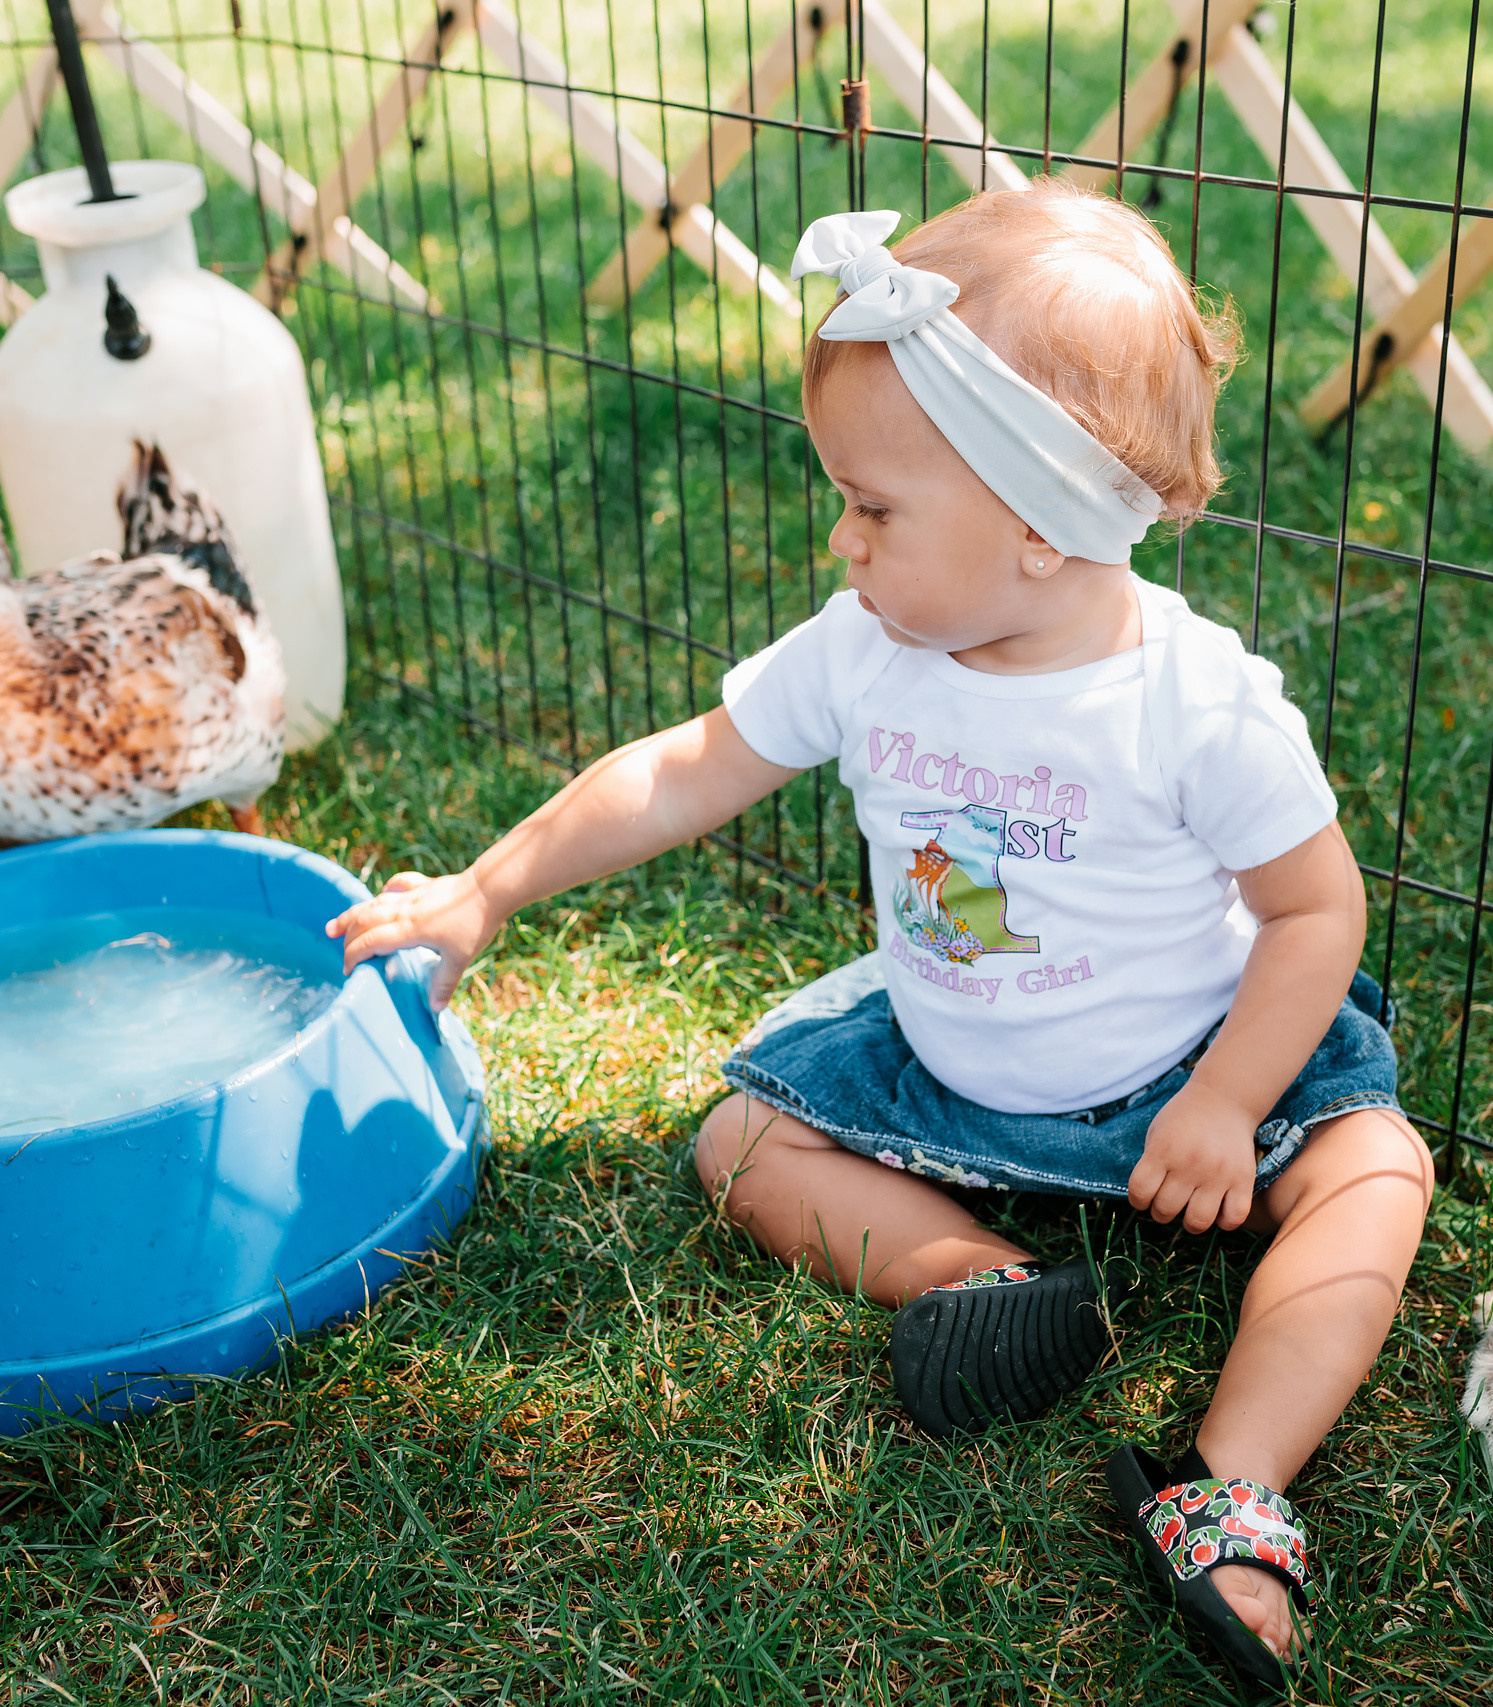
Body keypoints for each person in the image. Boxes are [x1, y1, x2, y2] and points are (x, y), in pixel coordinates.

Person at [325, 180, 1434, 1691]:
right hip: (949, 1075)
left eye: (875, 505)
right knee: (738, 1145)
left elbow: (1318, 910)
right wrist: (488, 888)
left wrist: (1233, 1101)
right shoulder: (869, 648)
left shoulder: (1195, 702)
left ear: (1043, 524)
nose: (840, 538)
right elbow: (682, 766)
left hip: (1185, 1075)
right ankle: (976, 1286)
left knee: (1375, 1170)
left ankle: (1231, 1487)